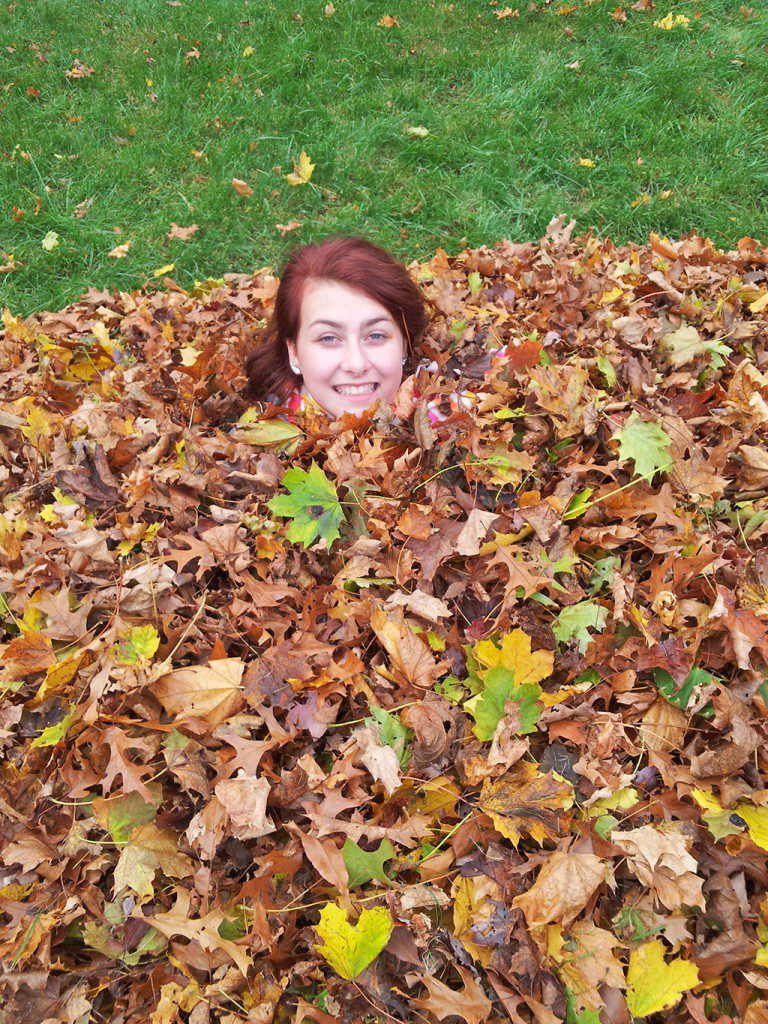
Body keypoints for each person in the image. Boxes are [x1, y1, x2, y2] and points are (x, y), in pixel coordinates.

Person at [243, 234, 478, 425]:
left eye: (376, 335)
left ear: (403, 344)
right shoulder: (261, 434)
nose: (356, 364)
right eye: (328, 338)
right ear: (294, 352)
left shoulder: (456, 418)